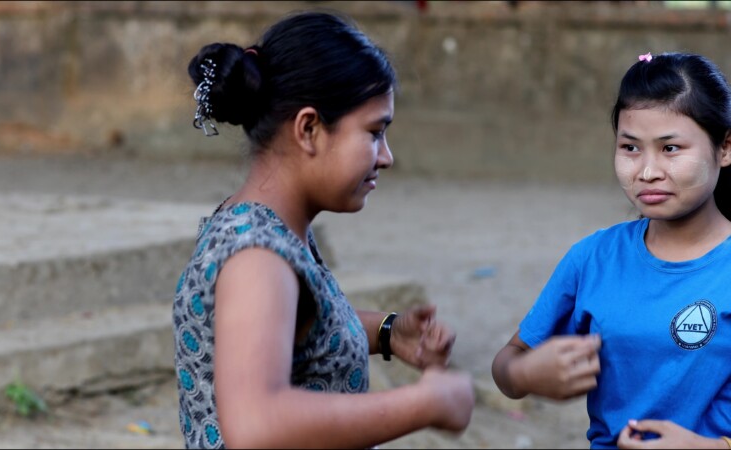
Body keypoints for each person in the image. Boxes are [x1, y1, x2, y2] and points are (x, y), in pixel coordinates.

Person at [172, 10, 475, 449]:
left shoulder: (267, 230)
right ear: (309, 129)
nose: (386, 156)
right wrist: (420, 404)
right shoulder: (257, 256)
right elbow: (256, 424)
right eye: (374, 132)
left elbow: (297, 331)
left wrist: (389, 332)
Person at [491, 51, 731, 449]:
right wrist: (526, 375)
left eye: (670, 148)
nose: (647, 171)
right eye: (630, 148)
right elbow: (508, 363)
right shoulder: (593, 259)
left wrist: (708, 447)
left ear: (725, 147)